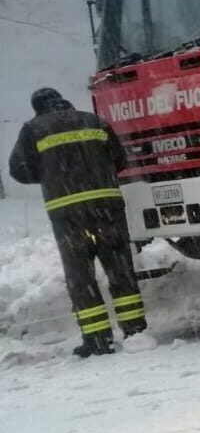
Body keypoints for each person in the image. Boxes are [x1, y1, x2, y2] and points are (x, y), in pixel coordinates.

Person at [8, 88, 149, 357]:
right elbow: (119, 159)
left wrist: (50, 173)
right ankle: (135, 331)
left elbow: (19, 170)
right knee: (119, 270)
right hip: (108, 207)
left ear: (38, 108)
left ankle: (98, 339)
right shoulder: (94, 120)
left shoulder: (33, 129)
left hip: (67, 212)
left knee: (80, 276)